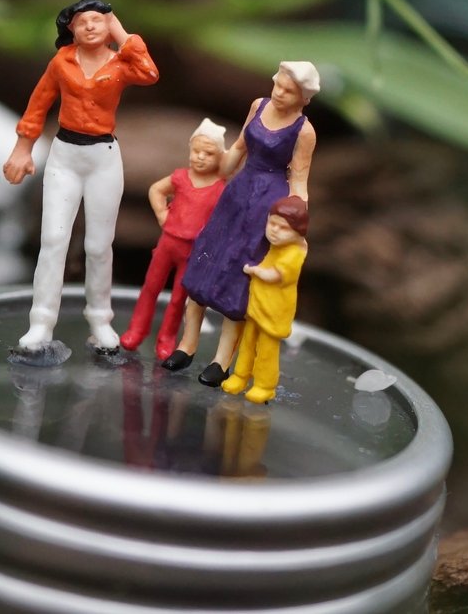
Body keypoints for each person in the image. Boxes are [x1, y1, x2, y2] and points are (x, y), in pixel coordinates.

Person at [4, 0, 158, 358]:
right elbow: (38, 103)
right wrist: (22, 149)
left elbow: (150, 73)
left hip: (103, 157)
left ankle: (100, 319)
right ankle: (41, 321)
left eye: (97, 20)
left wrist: (120, 29)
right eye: (81, 21)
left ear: (109, 25)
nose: (90, 26)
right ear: (69, 29)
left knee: (98, 245)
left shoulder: (121, 64)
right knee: (53, 241)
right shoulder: (61, 62)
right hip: (64, 156)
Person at [167, 60, 318, 384]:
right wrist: (211, 176)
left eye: (288, 91)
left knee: (238, 278)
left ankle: (221, 362)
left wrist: (297, 222)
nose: (279, 93)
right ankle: (187, 344)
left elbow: (300, 179)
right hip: (237, 193)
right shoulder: (258, 106)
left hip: (267, 202)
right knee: (203, 265)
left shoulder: (304, 131)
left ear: (303, 97)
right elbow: (238, 147)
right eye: (277, 85)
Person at [119, 118, 227, 360]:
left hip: (193, 251)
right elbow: (156, 189)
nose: (200, 157)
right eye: (197, 151)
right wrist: (161, 213)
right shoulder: (180, 177)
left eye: (208, 153)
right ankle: (136, 330)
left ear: (220, 157)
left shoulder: (220, 188)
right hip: (168, 243)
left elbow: (224, 218)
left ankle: (166, 337)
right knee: (150, 287)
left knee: (179, 298)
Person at [220, 195, 309, 405]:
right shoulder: (275, 247)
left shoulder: (294, 253)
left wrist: (253, 270)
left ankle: (265, 386)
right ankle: (241, 376)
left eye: (283, 228)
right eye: (272, 224)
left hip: (274, 313)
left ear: (298, 231)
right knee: (247, 344)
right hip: (256, 308)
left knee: (267, 351)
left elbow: (274, 275)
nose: (274, 231)